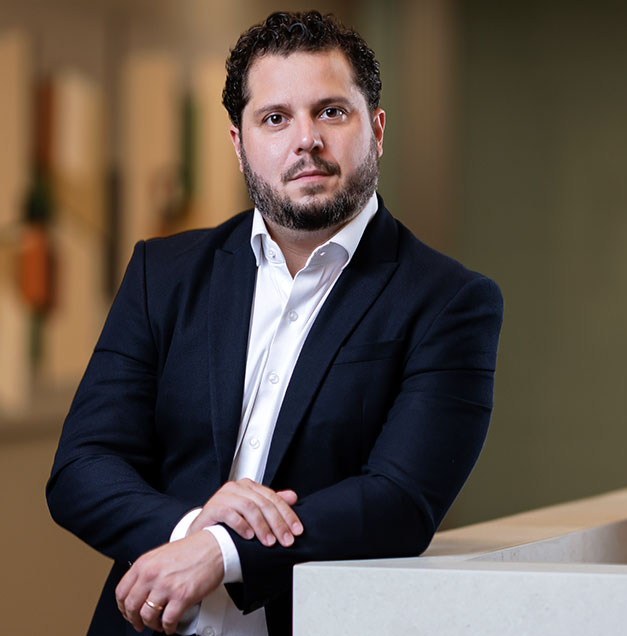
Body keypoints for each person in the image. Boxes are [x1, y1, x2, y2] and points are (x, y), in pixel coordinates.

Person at [47, 10, 503, 636]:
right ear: (239, 144)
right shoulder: (164, 274)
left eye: (331, 112)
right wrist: (191, 532)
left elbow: (400, 501)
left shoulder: (450, 301)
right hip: (147, 621)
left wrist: (224, 553)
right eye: (275, 118)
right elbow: (81, 467)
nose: (305, 139)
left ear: (376, 127)